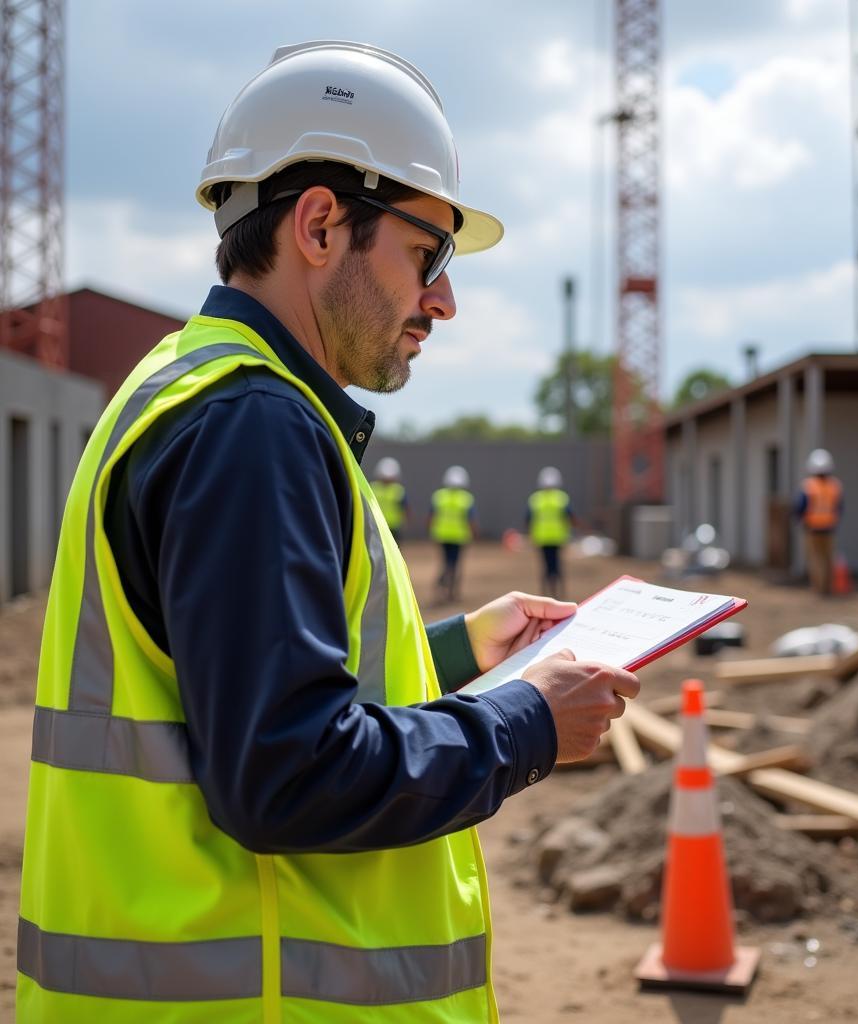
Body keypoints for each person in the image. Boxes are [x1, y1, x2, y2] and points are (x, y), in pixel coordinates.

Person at [16, 41, 641, 1022]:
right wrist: (527, 722)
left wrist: (460, 650)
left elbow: (236, 688)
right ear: (318, 224)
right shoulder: (251, 427)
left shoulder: (197, 388)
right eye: (424, 254)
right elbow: (287, 774)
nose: (443, 298)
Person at [795, 448, 843, 596]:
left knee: (816, 560)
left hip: (812, 529)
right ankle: (828, 588)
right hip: (829, 528)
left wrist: (799, 520)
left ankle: (818, 589)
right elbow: (839, 507)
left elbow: (800, 507)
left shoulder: (809, 486)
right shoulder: (834, 485)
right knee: (828, 559)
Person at [527, 466, 579, 599]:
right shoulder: (561, 498)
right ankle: (559, 594)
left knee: (545, 566)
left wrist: (530, 535)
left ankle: (544, 594)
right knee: (557, 566)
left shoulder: (535, 499)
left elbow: (528, 519)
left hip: (542, 538)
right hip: (558, 537)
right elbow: (570, 516)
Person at [430, 464, 477, 603]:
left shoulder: (439, 496)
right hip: (458, 536)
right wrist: (474, 533)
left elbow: (431, 516)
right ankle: (452, 592)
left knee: (446, 562)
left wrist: (431, 531)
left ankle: (443, 582)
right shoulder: (466, 498)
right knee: (455, 564)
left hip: (442, 535)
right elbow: (471, 519)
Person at [370, 455, 408, 543]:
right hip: (381, 525)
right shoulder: (398, 490)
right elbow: (405, 509)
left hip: (388, 525)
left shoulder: (372, 488)